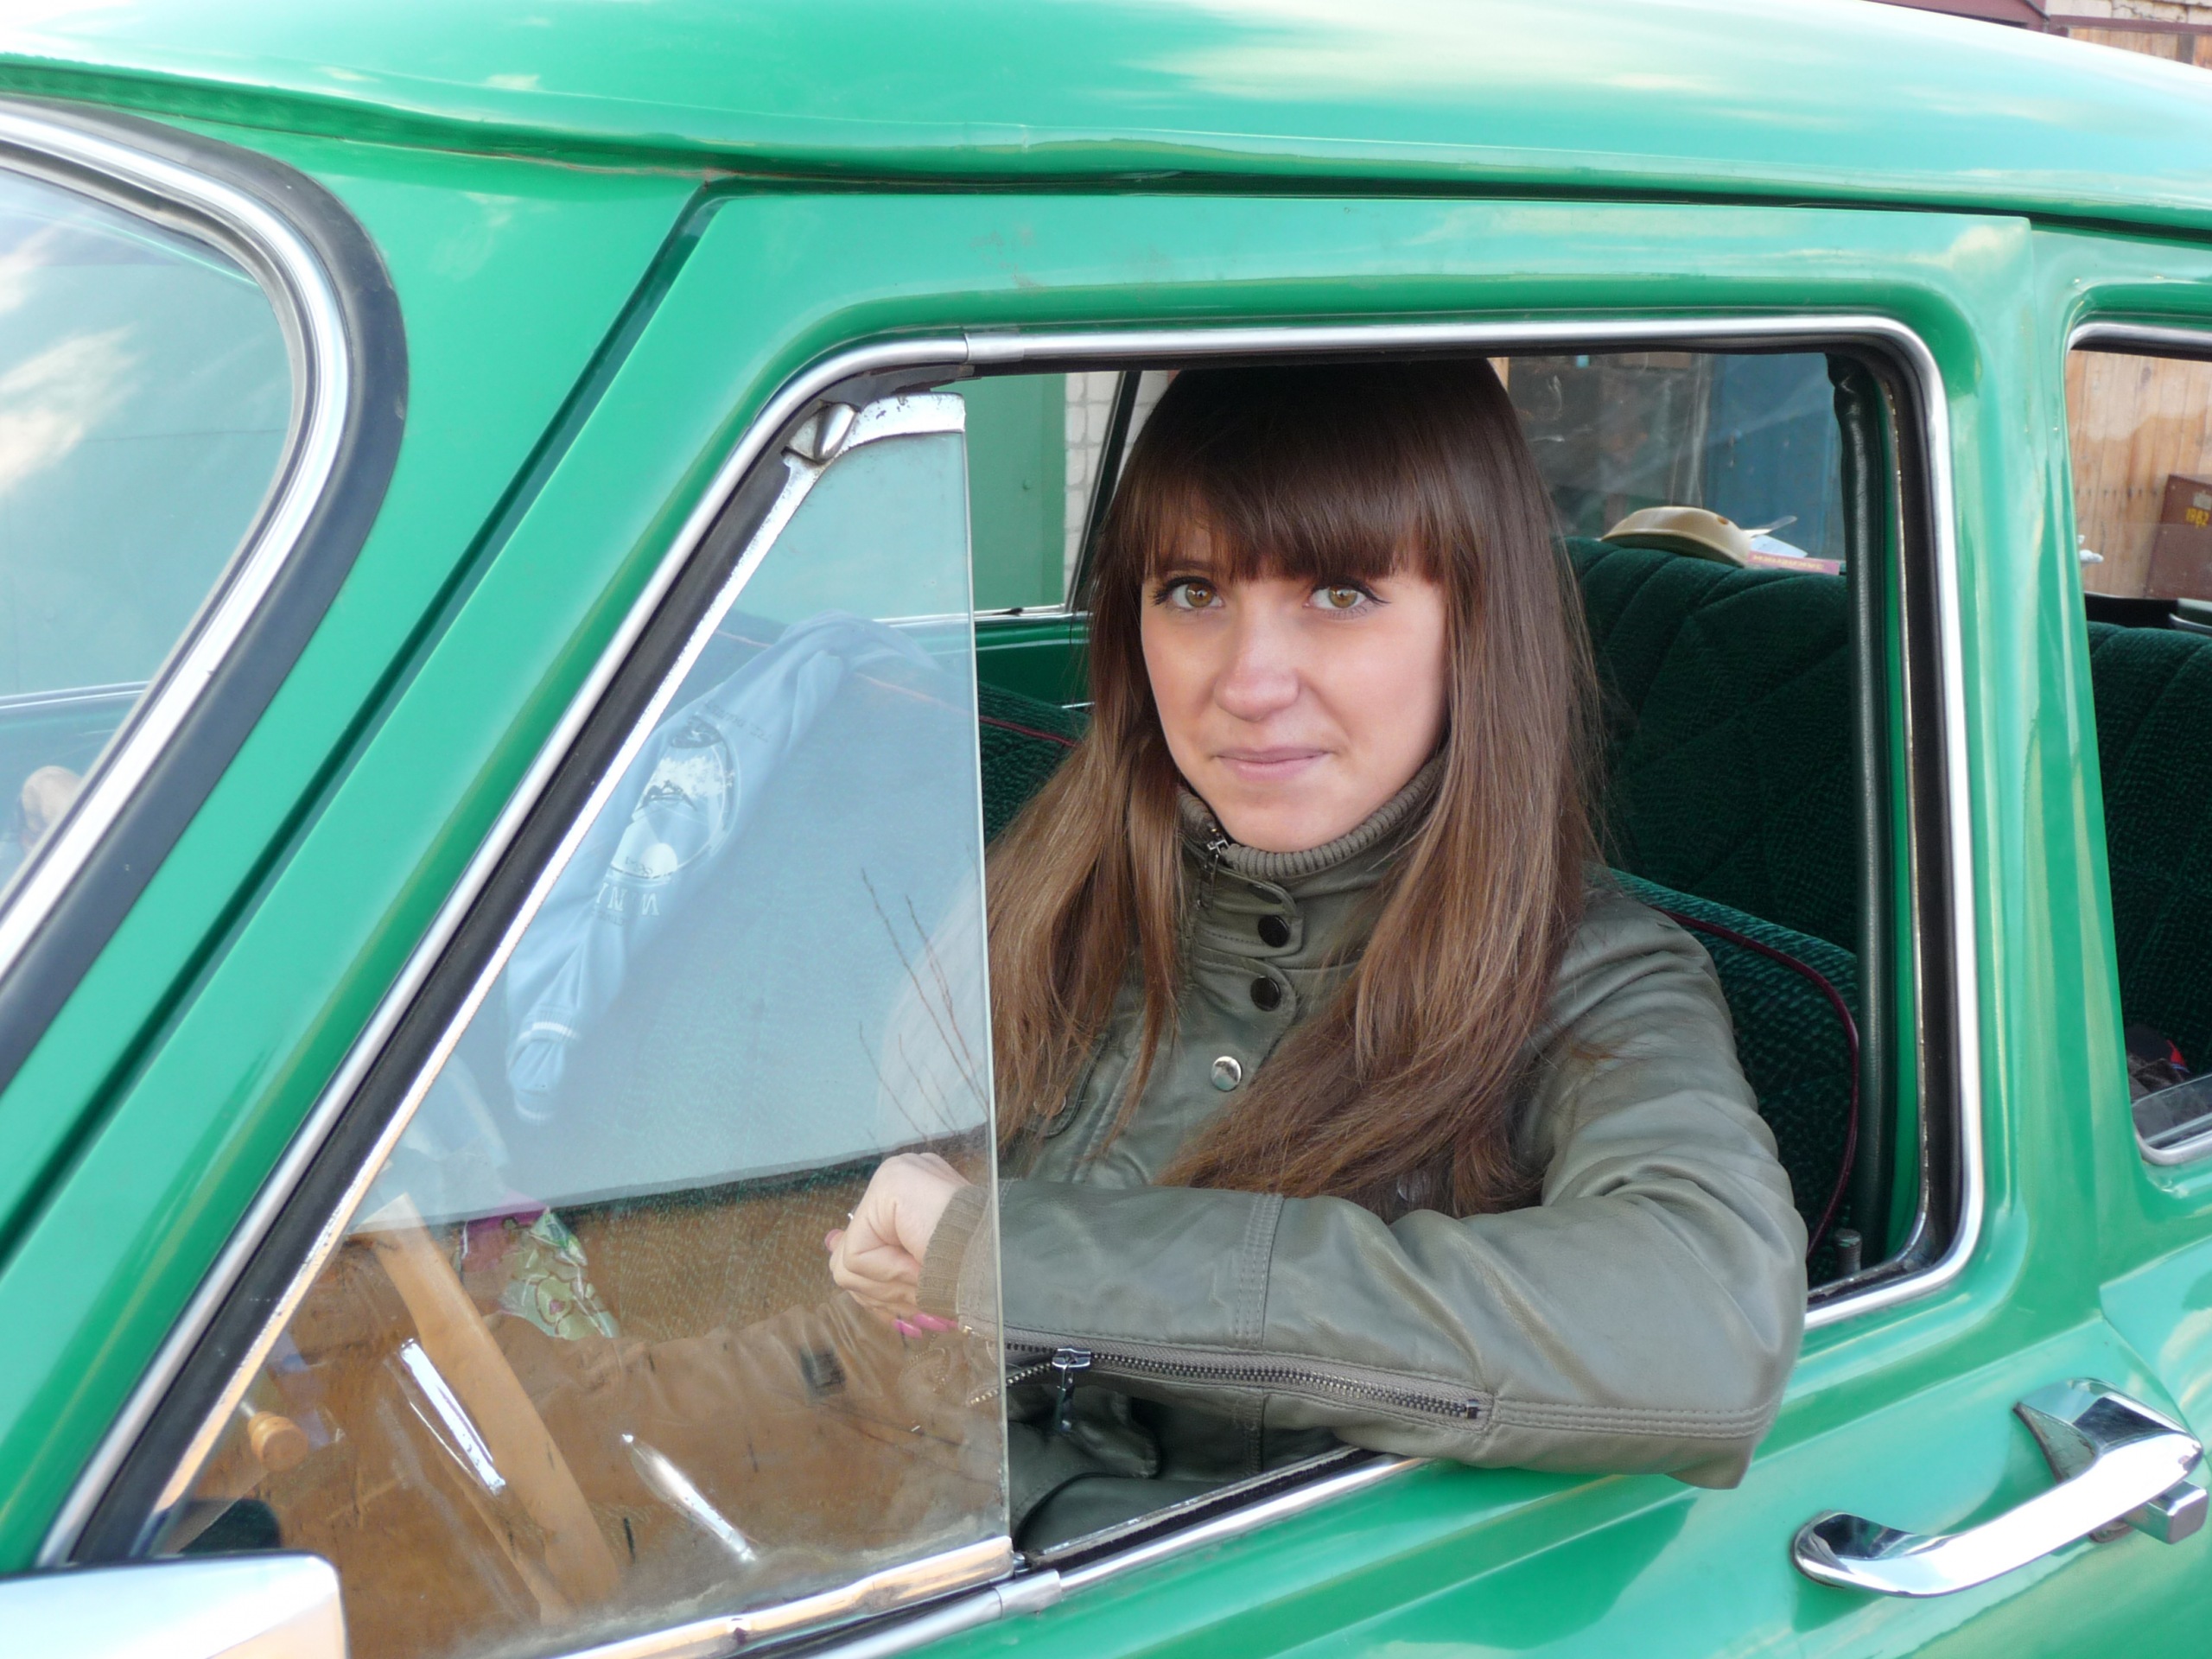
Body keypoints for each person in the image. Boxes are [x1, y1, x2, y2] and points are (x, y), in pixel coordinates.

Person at [823, 360, 1807, 1548]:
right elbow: (879, 1337)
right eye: (1192, 591)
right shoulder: (1060, 889)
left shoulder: (1596, 980)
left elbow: (1702, 1326)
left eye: (1340, 593)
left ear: (1475, 629)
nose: (1247, 683)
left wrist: (1009, 1258)